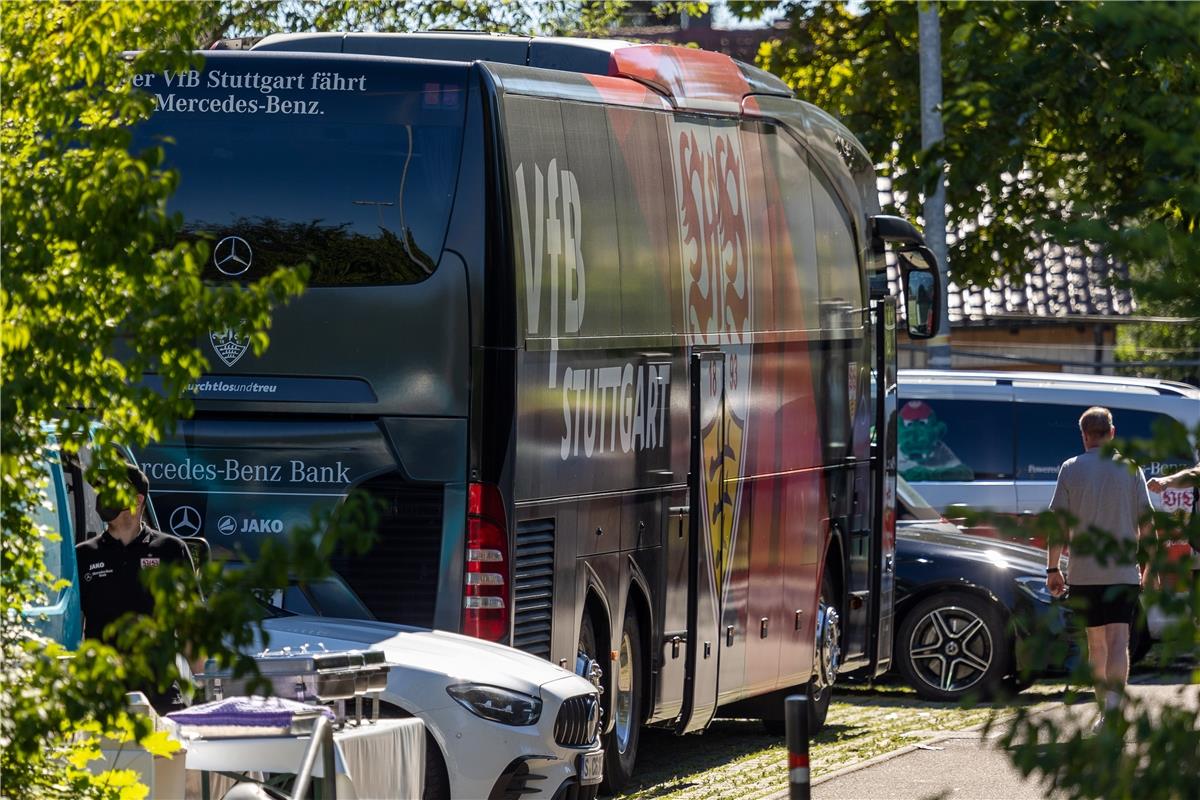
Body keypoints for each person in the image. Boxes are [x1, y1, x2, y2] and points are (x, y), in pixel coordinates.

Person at [1044, 407, 1155, 731]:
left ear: (1084, 435)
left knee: (1097, 644)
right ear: (1112, 432)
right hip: (1122, 572)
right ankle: (1116, 709)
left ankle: (1104, 711)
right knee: (1119, 641)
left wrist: (1053, 568)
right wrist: (1149, 569)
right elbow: (1147, 524)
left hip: (1084, 573)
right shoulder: (1131, 470)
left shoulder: (1070, 469)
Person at [75, 463, 196, 714]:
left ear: (137, 499)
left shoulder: (171, 550)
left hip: (161, 699)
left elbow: (190, 629)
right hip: (101, 700)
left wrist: (208, 689)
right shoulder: (82, 555)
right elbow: (75, 629)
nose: (102, 497)